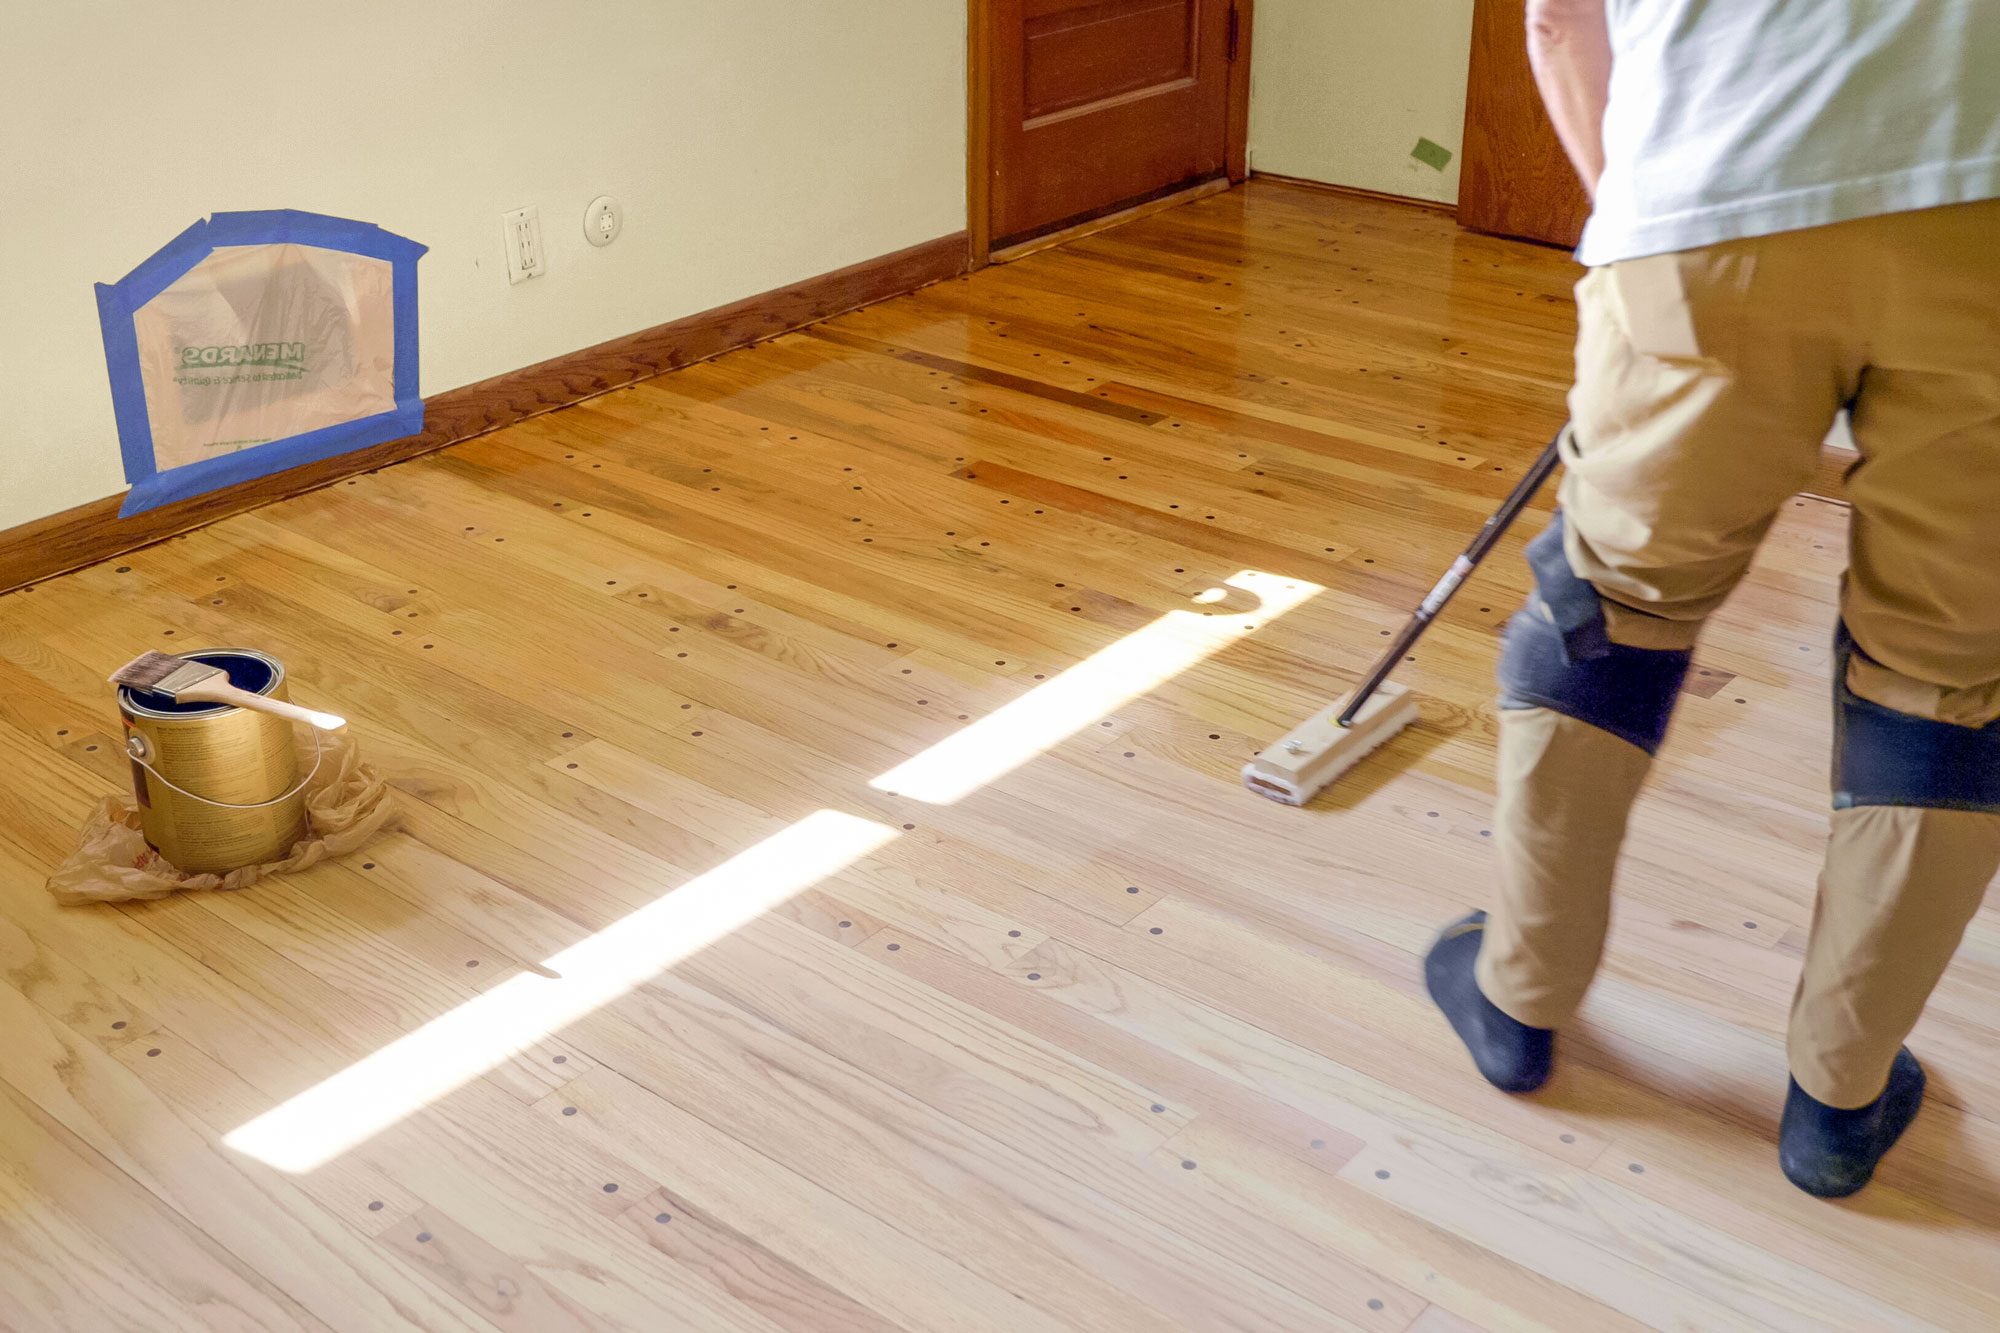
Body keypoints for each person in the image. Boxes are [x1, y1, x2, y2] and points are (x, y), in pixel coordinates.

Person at [1423, 0, 2000, 1198]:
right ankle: (1836, 1102)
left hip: (1716, 192)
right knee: (1949, 679)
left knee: (1607, 612)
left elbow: (1555, 23)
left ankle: (1518, 1001)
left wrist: (1637, 237)